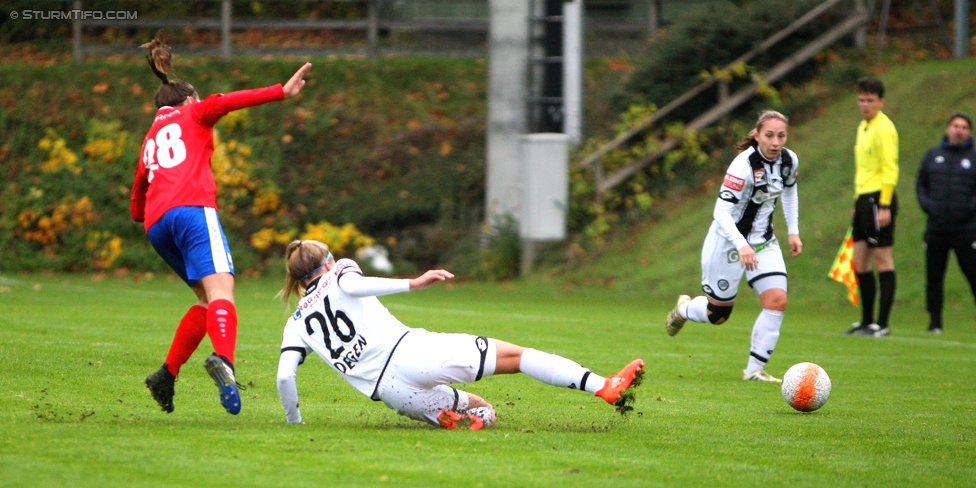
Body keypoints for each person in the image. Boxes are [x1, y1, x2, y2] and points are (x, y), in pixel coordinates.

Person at [275, 240, 645, 429]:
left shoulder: (296, 321)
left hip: (390, 393)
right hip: (412, 354)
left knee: (484, 408)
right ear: (325, 262)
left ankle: (460, 419)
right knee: (516, 357)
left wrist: (295, 424)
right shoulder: (340, 272)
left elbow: (284, 376)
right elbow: (354, 285)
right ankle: (603, 385)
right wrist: (413, 283)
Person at [131, 35, 312, 415]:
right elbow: (228, 101)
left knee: (205, 298)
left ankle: (167, 374)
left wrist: (153, 211)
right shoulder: (195, 112)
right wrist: (282, 90)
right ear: (188, 101)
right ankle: (224, 361)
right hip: (192, 211)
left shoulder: (150, 138)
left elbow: (137, 199)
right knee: (223, 292)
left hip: (156, 225)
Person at [664, 110, 801, 383]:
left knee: (777, 301)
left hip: (764, 242)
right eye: (769, 135)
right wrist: (741, 245)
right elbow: (721, 213)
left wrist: (793, 232)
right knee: (718, 315)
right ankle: (684, 310)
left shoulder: (789, 160)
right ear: (757, 135)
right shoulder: (743, 165)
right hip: (727, 242)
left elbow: (789, 191)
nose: (775, 142)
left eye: (781, 136)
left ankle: (753, 371)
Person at [845, 77, 899, 337]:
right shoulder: (862, 127)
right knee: (859, 260)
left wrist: (885, 204)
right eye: (862, 99)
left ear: (881, 101)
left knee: (882, 259)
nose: (865, 104)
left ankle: (883, 323)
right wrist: (857, 201)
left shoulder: (884, 128)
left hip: (880, 198)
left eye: (870, 100)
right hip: (864, 199)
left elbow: (890, 167)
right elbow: (863, 169)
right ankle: (866, 321)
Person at [915, 112, 976, 334]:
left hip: (966, 229)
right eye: (955, 126)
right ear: (948, 128)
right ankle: (935, 322)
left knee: (973, 273)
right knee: (934, 277)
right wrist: (928, 206)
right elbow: (921, 183)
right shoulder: (933, 155)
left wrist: (969, 209)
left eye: (964, 127)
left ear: (969, 131)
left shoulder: (974, 157)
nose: (959, 130)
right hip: (936, 227)